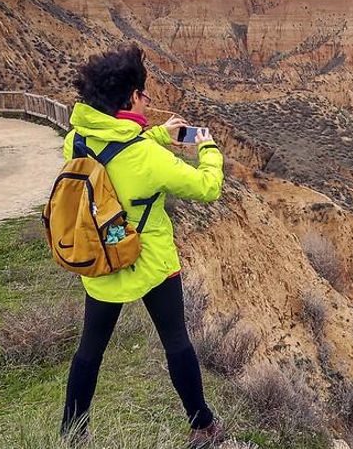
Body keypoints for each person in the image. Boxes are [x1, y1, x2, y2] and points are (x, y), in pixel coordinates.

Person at [59, 43, 225, 448]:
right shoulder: (148, 157)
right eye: (144, 93)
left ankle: (72, 433)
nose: (148, 99)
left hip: (101, 258)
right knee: (176, 342)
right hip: (150, 263)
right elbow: (208, 187)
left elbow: (114, 151)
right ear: (132, 97)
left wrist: (155, 134)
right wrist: (208, 146)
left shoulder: (76, 140)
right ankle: (202, 426)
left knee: (89, 352)